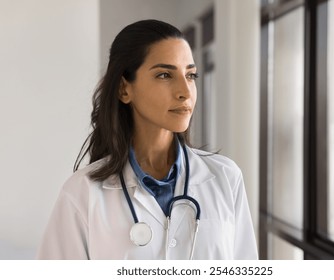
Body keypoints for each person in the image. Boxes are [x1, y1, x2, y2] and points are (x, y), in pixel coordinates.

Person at [37, 19, 258, 260]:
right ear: (124, 89)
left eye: (191, 75)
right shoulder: (82, 193)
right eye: (165, 75)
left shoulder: (227, 177)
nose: (184, 91)